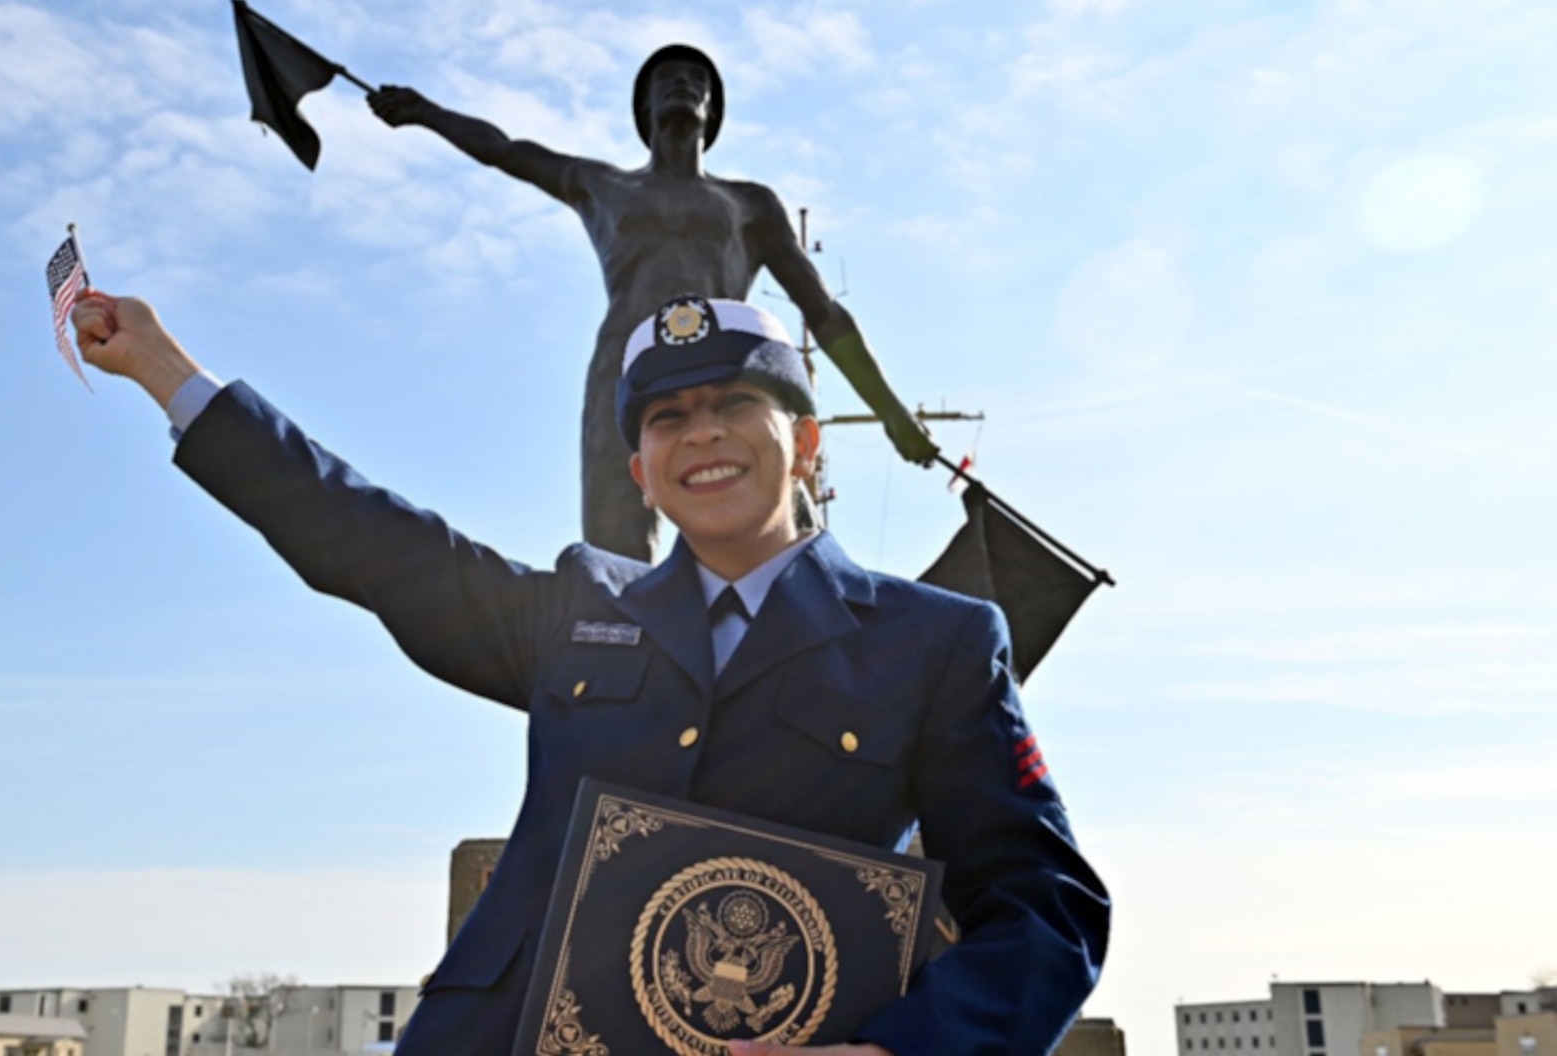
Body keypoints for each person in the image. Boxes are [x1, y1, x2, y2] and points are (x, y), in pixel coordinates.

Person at [71, 289, 1109, 1055]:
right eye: (665, 418)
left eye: (731, 404)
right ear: (639, 473)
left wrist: (902, 1051)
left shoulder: (934, 641)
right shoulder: (577, 607)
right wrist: (170, 372)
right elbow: (364, 538)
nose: (698, 432)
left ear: (800, 444)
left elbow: (1044, 906)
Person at [368, 45, 941, 562]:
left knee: (787, 543)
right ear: (644, 106)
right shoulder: (601, 185)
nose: (683, 84)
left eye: (697, 79)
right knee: (617, 556)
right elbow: (505, 150)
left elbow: (824, 312)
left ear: (713, 109)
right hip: (627, 370)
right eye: (667, 78)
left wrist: (892, 412)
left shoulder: (750, 204)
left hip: (727, 370)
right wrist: (426, 112)